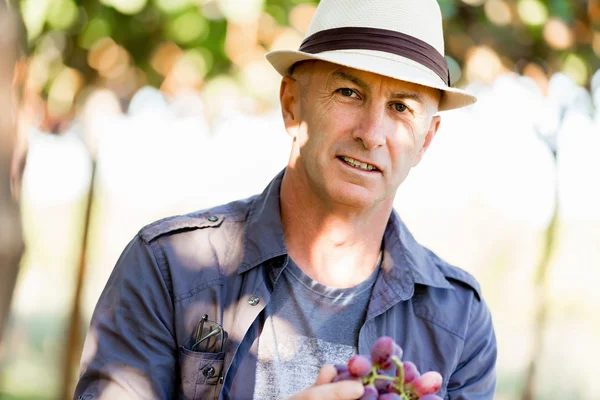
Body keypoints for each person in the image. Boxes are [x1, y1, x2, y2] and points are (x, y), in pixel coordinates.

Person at [74, 0, 497, 399]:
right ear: (291, 103)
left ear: (426, 140)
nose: (371, 133)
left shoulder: (460, 320)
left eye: (401, 107)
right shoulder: (168, 269)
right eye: (349, 92)